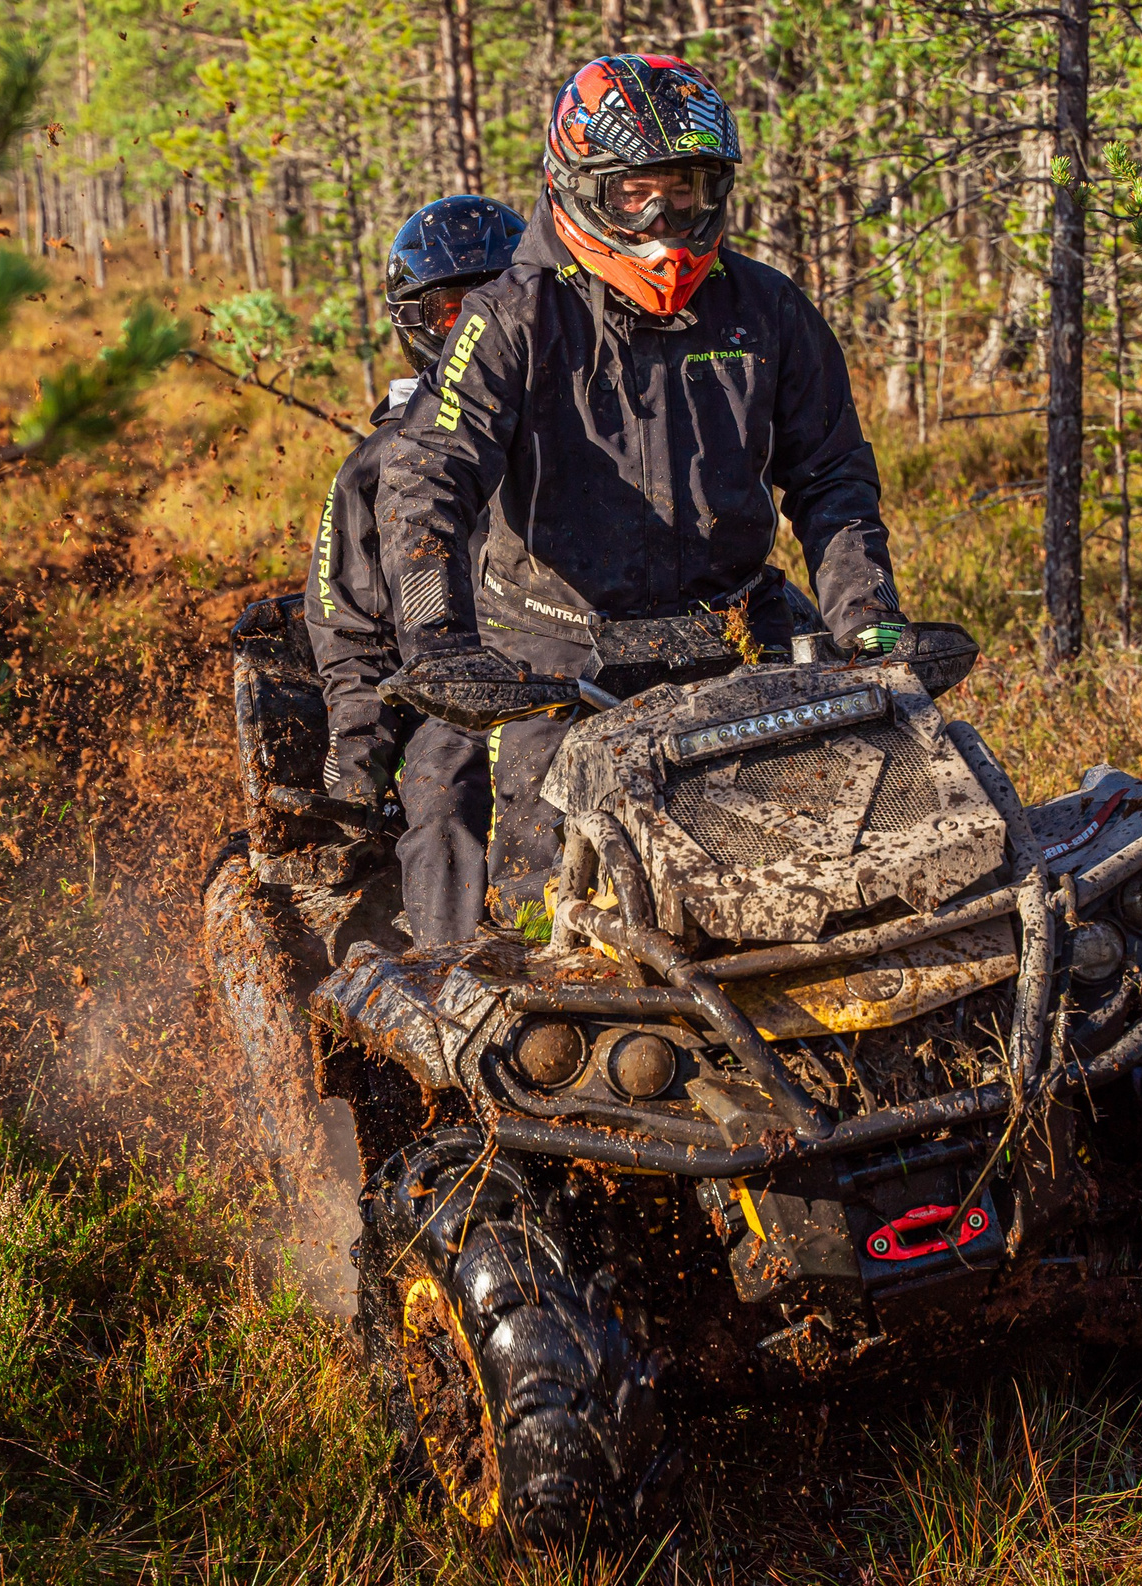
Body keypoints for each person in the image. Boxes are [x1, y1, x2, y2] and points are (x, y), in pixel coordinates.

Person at [377, 53, 911, 941]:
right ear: (583, 188)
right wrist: (437, 634)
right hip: (559, 654)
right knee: (555, 920)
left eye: (687, 191)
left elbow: (832, 475)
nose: (667, 219)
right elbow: (428, 471)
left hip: (734, 634)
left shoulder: (766, 307)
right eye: (638, 195)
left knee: (838, 860)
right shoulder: (512, 317)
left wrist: (868, 615)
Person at [302, 194, 527, 944]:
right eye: (452, 312)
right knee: (445, 802)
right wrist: (358, 762)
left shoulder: (585, 431)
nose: (475, 331)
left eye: (495, 303)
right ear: (412, 323)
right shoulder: (376, 465)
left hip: (590, 677)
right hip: (452, 702)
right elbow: (351, 636)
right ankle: (449, 976)